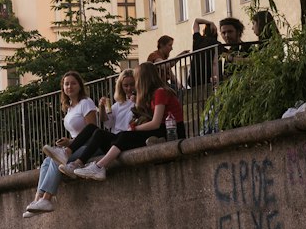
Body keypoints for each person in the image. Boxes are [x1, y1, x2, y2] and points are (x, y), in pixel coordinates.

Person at [73, 62, 185, 179]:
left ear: (143, 78)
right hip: (162, 129)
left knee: (126, 135)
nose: (135, 84)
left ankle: (99, 167)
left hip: (169, 130)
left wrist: (134, 128)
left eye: (136, 79)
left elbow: (155, 123)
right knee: (102, 134)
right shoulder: (152, 95)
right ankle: (80, 163)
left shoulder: (160, 92)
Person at [23, 73, 98, 216]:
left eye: (73, 83)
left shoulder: (86, 103)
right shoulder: (69, 108)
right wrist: (69, 141)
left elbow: (91, 130)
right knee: (46, 162)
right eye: (66, 84)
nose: (69, 86)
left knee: (55, 159)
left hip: (89, 146)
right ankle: (37, 200)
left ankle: (47, 199)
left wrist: (71, 143)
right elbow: (76, 134)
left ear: (80, 85)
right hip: (76, 145)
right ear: (63, 88)